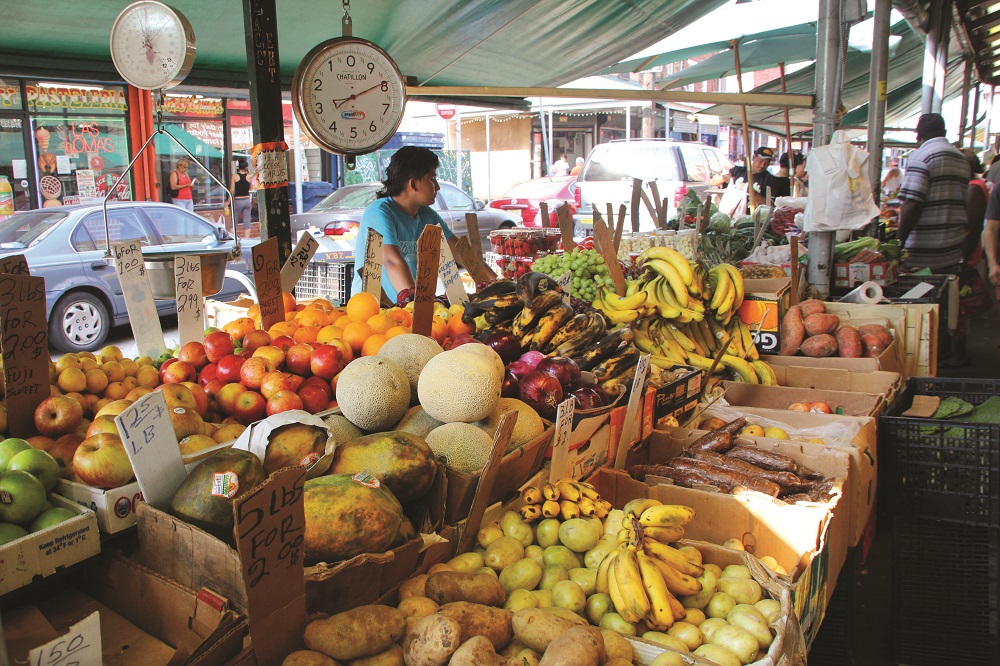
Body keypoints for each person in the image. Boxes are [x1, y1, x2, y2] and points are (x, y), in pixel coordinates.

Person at [351, 146, 458, 304]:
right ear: (413, 184)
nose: (438, 186)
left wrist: (494, 283)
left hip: (407, 309)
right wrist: (420, 306)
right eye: (432, 178)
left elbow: (460, 251)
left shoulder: (427, 215)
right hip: (374, 312)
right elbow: (391, 261)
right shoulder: (379, 212)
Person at [897, 113, 971, 273]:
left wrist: (898, 243)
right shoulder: (962, 159)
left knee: (922, 295)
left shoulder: (921, 156)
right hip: (953, 249)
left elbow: (912, 203)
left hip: (923, 253)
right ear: (944, 133)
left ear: (918, 136)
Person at [231, 159, 252, 233]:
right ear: (246, 167)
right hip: (247, 200)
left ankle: (233, 240)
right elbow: (250, 188)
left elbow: (232, 190)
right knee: (247, 223)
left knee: (234, 221)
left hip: (238, 200)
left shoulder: (234, 176)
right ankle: (247, 240)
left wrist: (228, 200)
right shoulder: (249, 176)